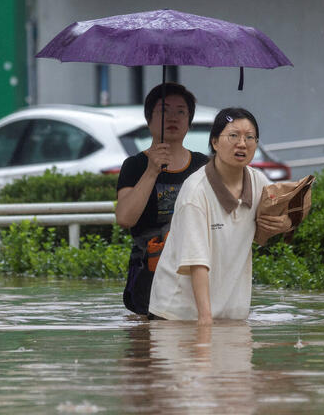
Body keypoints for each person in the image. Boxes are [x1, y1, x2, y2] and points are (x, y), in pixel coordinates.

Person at [148, 107, 291, 325]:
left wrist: (284, 223)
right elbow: (197, 263)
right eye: (233, 135)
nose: (242, 143)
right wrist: (205, 322)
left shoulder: (259, 182)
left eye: (249, 137)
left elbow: (284, 212)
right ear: (215, 142)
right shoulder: (195, 192)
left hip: (229, 313)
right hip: (178, 315)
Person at [116, 83, 209, 315]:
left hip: (193, 270)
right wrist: (151, 171)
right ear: (149, 119)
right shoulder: (135, 165)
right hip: (149, 273)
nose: (173, 117)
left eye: (181, 111)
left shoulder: (203, 166)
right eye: (164, 110)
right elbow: (125, 218)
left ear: (189, 122)